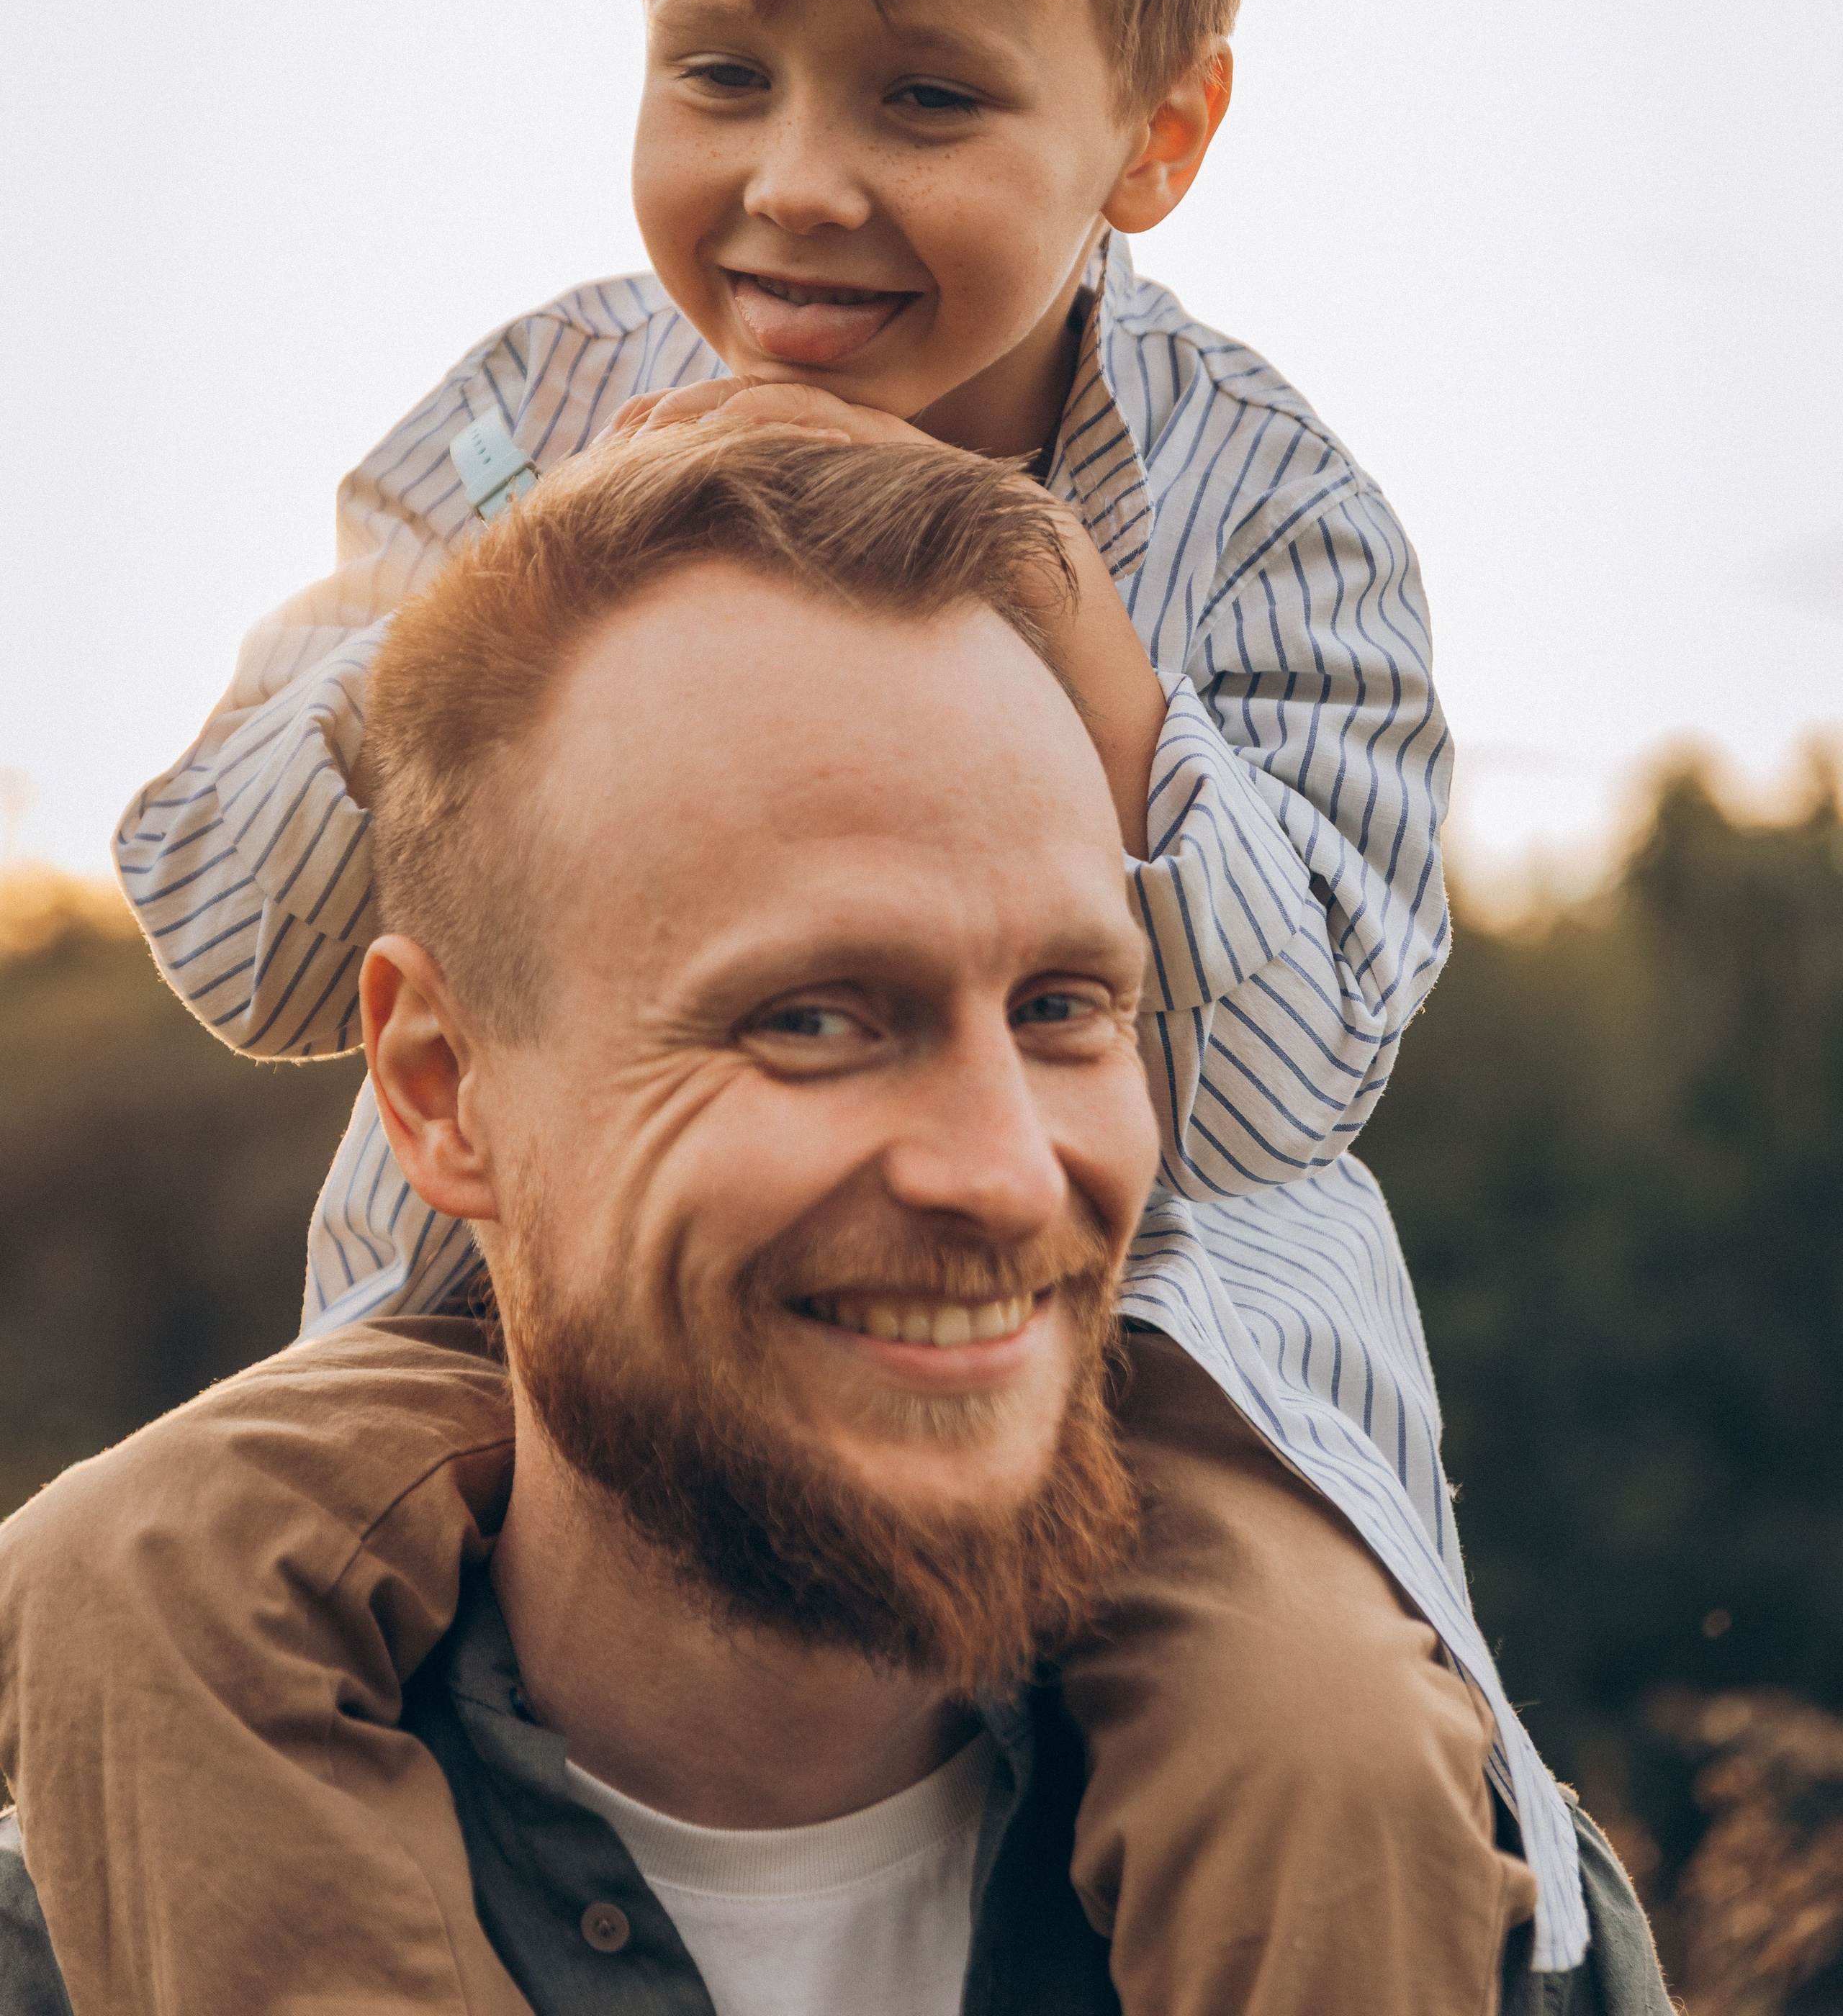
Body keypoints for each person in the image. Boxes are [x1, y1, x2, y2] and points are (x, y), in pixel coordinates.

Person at [4, 0, 1596, 2010]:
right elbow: (234, 928)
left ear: (1154, 136)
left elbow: (1290, 1083)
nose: (797, 180)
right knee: (120, 1575)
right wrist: (503, 604)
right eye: (720, 70)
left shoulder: (1268, 517)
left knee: (1322, 1746)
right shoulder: (523, 422)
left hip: (1124, 1372)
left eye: (927, 95)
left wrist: (1075, 641)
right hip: (523, 1331)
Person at [0, 437, 1669, 2016]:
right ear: (443, 1090)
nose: (1006, 1176)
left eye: (1064, 1007)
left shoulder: (1467, 1926)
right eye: (809, 1019)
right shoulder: (80, 1950)